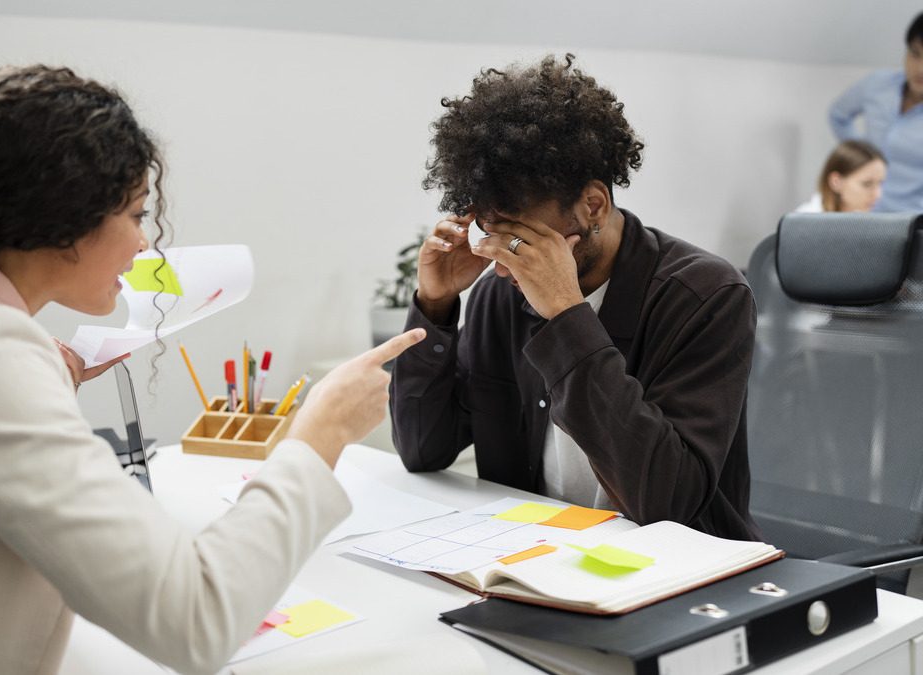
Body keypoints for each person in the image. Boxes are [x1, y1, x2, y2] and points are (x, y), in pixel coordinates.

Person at [0, 65, 424, 675]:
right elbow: (195, 619)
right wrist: (321, 434)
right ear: (62, 218)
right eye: (134, 215)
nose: (144, 247)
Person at [390, 54, 760, 541]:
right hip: (538, 560)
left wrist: (567, 316)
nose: (504, 265)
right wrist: (434, 305)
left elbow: (669, 503)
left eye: (524, 240)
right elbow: (423, 451)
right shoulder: (500, 297)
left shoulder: (705, 296)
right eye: (494, 236)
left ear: (593, 205)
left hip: (675, 576)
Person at [829, 11, 923, 213]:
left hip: (911, 219)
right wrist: (862, 155)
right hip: (863, 211)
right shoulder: (877, 84)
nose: (920, 68)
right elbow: (838, 116)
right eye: (915, 54)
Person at [795, 140, 887, 213]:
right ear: (836, 182)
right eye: (867, 184)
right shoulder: (804, 224)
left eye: (880, 183)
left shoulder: (867, 225)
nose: (877, 195)